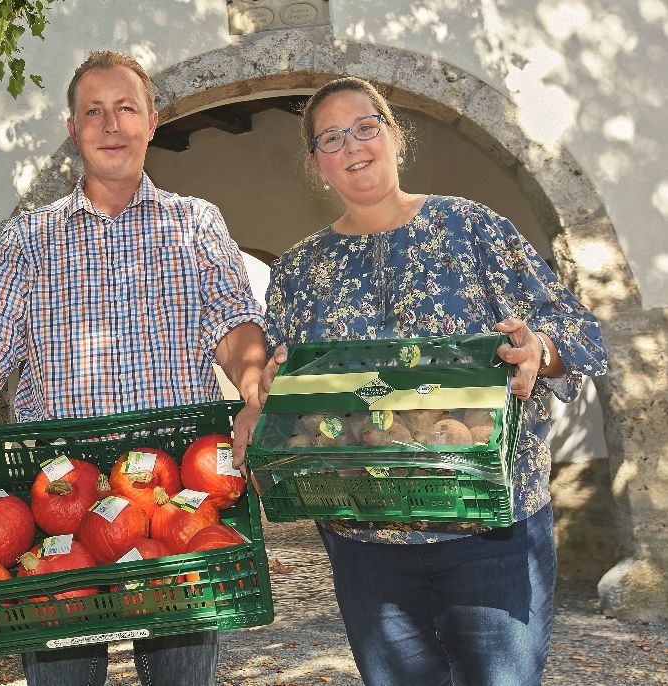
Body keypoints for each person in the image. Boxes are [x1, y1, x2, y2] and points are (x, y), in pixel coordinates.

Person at [0, 50, 267, 686]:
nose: (111, 124)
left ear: (152, 121)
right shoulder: (32, 236)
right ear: (72, 129)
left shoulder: (197, 222)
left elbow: (233, 323)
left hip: (172, 498)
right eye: (94, 111)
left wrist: (252, 390)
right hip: (56, 502)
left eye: (126, 108)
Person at [251, 77, 608, 686]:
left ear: (395, 136)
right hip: (366, 537)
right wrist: (273, 395)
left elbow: (580, 334)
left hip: (493, 526)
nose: (353, 145)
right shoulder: (298, 271)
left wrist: (539, 352)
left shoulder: (472, 229)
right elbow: (289, 396)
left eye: (366, 126)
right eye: (331, 138)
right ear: (315, 164)